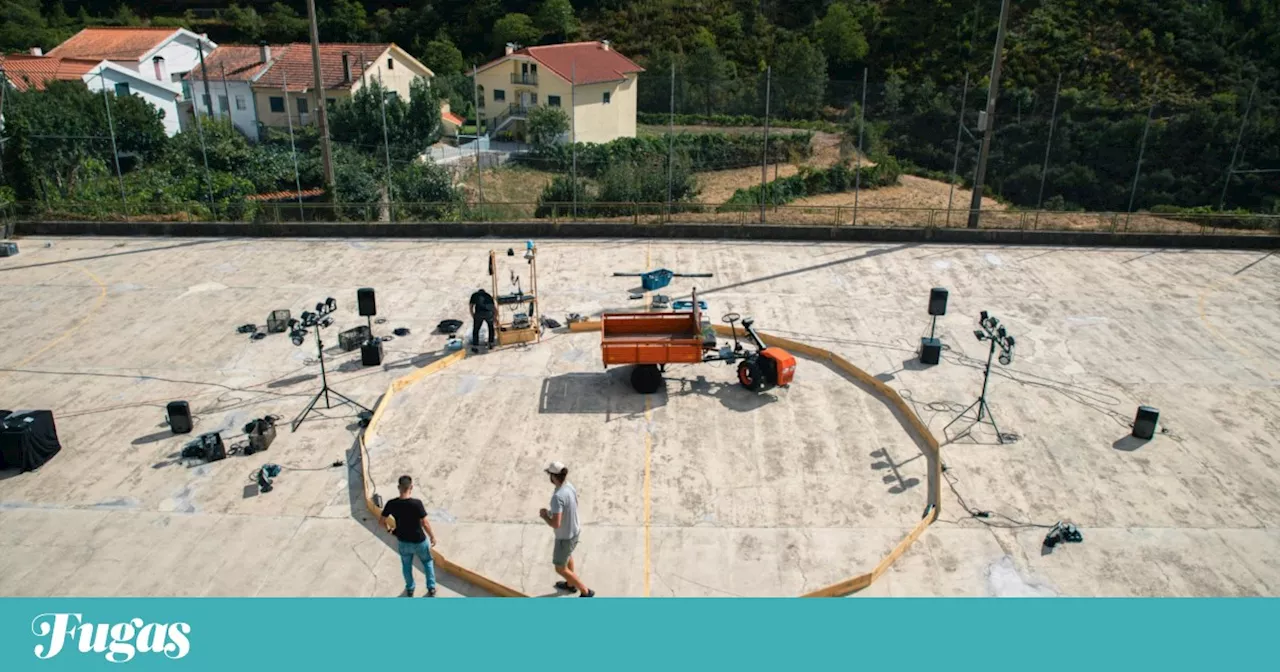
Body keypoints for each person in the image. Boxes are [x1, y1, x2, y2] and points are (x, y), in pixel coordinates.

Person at [539, 461, 594, 597]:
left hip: (564, 537)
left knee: (560, 567)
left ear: (553, 476)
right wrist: (554, 513)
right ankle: (570, 585)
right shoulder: (569, 486)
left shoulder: (557, 497)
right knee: (567, 556)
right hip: (575, 531)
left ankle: (585, 591)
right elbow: (573, 504)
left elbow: (556, 524)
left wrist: (545, 516)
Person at [379, 475, 438, 597]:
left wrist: (390, 530)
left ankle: (410, 588)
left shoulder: (391, 504)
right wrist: (432, 536)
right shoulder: (417, 504)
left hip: (403, 541)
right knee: (427, 562)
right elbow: (425, 523)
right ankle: (431, 587)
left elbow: (381, 521)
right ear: (411, 487)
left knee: (406, 565)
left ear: (398, 487)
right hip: (419, 541)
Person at [469, 287, 496, 353]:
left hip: (479, 314)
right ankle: (491, 343)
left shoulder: (474, 295)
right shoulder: (488, 295)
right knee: (491, 327)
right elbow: (493, 308)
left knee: (476, 329)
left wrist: (473, 315)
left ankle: (475, 346)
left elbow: (471, 306)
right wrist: (495, 318)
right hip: (488, 313)